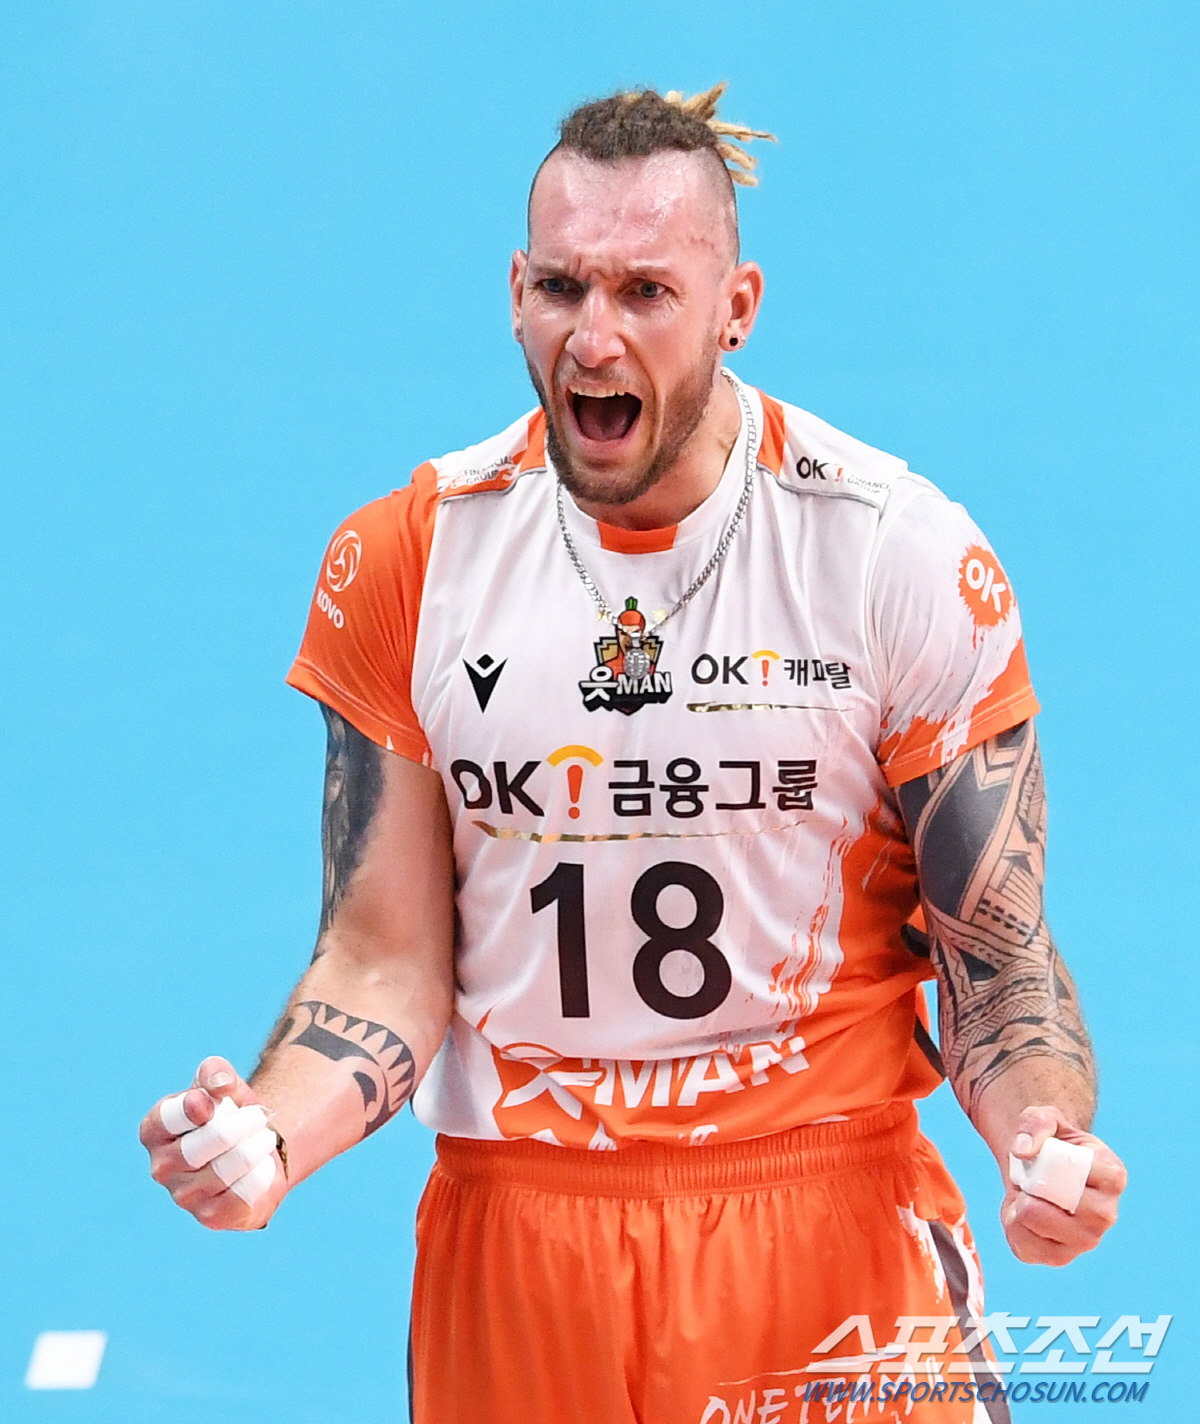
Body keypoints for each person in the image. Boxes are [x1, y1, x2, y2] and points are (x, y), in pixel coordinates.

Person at [140, 84, 1127, 1423]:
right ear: (515, 293)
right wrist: (266, 1136)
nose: (593, 337)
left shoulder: (892, 557)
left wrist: (1037, 1135)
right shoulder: (409, 560)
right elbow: (382, 957)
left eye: (647, 292)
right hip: (519, 1241)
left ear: (736, 307)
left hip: (824, 1214)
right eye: (562, 287)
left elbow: (996, 957)